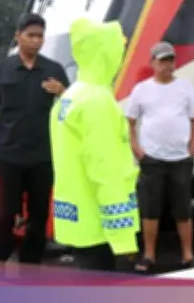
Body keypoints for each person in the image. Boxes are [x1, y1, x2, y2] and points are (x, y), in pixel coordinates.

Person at [0, 13, 69, 264]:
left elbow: (71, 107)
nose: (36, 41)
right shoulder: (1, 68)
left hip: (43, 156)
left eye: (40, 36)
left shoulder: (54, 70)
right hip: (8, 155)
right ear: (18, 36)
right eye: (30, 36)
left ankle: (30, 266)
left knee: (38, 216)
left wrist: (63, 92)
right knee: (4, 215)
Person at [49, 18, 139, 271]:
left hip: (79, 219)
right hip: (101, 225)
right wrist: (123, 238)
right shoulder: (97, 102)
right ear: (105, 53)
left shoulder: (70, 96)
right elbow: (105, 172)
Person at [126, 41, 194, 272]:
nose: (167, 65)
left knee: (183, 209)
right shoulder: (141, 90)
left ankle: (188, 255)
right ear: (152, 63)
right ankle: (149, 255)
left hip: (180, 160)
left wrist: (192, 149)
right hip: (152, 160)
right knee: (150, 209)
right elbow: (130, 121)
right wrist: (136, 148)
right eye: (162, 61)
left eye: (170, 60)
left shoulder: (186, 88)